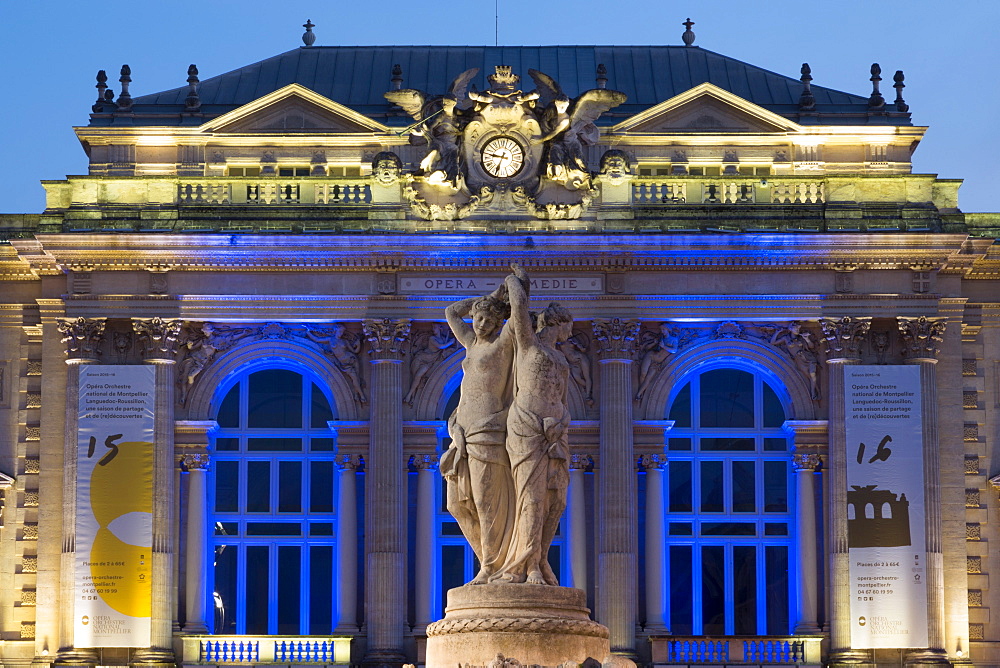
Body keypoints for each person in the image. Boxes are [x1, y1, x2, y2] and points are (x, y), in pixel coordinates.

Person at [492, 264, 573, 585]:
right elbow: (520, 307)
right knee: (531, 498)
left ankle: (539, 556)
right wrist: (515, 281)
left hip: (553, 432)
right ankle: (525, 565)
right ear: (559, 323)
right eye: (569, 325)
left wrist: (561, 422)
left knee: (557, 500)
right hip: (526, 426)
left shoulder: (562, 359)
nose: (571, 331)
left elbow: (562, 399)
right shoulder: (528, 344)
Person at [441, 283, 516, 585]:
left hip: (487, 429)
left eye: (489, 320)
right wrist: (487, 300)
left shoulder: (502, 345)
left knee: (485, 503)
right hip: (461, 430)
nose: (482, 324)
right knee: (457, 504)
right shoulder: (471, 344)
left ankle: (491, 566)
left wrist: (507, 295)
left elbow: (518, 318)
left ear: (499, 324)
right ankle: (490, 561)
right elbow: (450, 312)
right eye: (479, 318)